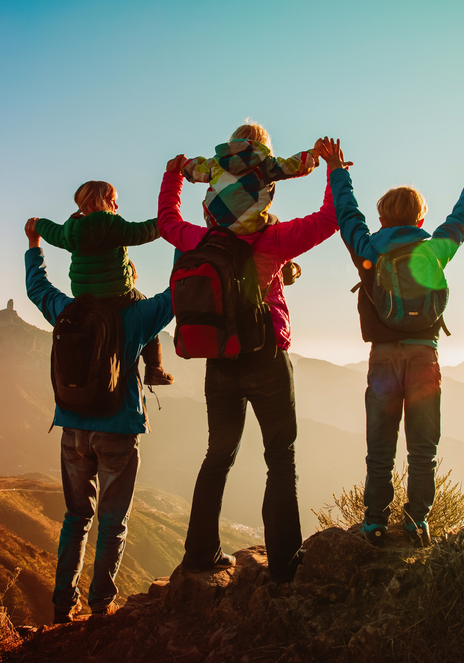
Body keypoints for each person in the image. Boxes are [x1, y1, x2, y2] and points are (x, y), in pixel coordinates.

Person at [159, 137, 336, 583]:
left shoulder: (199, 238)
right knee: (280, 457)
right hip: (265, 358)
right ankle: (284, 566)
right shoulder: (272, 239)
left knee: (217, 455)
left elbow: (167, 222)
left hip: (220, 359)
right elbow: (330, 219)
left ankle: (199, 555)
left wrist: (173, 176)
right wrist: (335, 170)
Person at [319, 139, 464, 548]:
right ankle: (417, 522)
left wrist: (337, 170)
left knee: (380, 450)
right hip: (424, 355)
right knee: (423, 449)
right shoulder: (433, 250)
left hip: (383, 359)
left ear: (382, 217)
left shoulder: (368, 250)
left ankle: (374, 523)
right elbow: (461, 221)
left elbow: (348, 215)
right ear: (421, 217)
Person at [23, 217, 174, 623]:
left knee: (76, 519)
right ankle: (101, 605)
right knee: (112, 521)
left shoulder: (67, 312)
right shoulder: (136, 316)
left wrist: (35, 245)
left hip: (72, 429)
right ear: (121, 266)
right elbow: (175, 295)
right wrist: (182, 240)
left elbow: (37, 288)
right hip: (118, 429)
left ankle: (62, 606)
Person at [33, 180, 174, 385]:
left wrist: (37, 224)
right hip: (119, 295)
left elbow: (51, 232)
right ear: (95, 202)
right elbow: (144, 231)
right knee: (146, 309)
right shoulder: (113, 225)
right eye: (112, 201)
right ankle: (155, 368)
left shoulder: (70, 231)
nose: (116, 206)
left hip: (84, 297)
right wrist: (168, 221)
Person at [182, 121, 319, 235]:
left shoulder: (215, 163)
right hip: (250, 227)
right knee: (274, 222)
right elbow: (293, 165)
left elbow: (193, 169)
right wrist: (313, 154)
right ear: (263, 145)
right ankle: (279, 258)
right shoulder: (265, 163)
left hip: (215, 224)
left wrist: (182, 163)